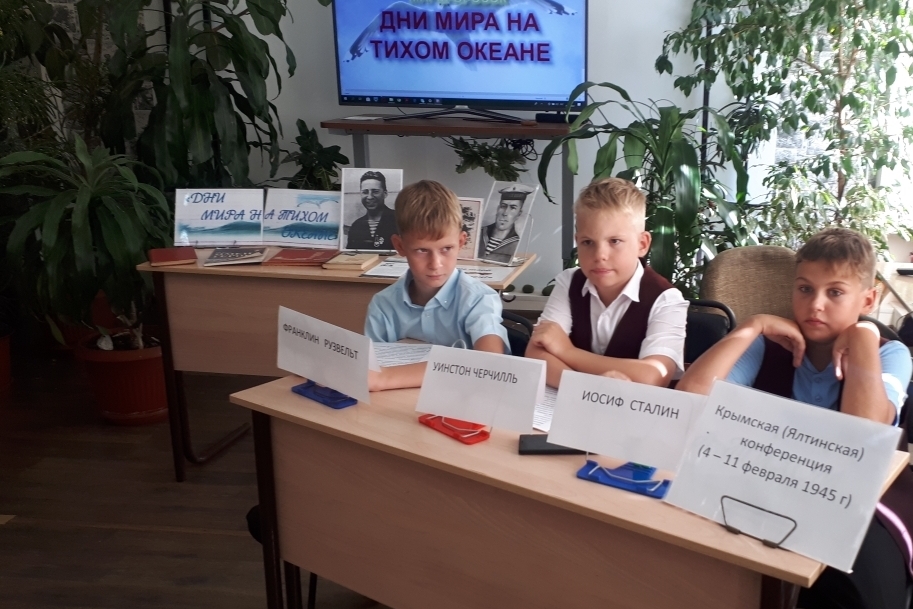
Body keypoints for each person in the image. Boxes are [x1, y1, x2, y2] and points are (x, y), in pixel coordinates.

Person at [677, 227, 913, 609]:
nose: (815, 304)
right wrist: (752, 326)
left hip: (860, 503)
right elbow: (691, 400)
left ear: (868, 298)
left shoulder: (890, 353)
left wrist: (864, 334)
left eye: (835, 292)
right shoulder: (767, 344)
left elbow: (864, 432)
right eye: (805, 289)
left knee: (849, 586)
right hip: (767, 484)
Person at [526, 177, 688, 388]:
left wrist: (566, 351)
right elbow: (537, 353)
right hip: (571, 401)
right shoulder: (569, 282)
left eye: (615, 241)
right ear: (577, 242)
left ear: (642, 244)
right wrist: (586, 389)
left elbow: (652, 376)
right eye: (588, 242)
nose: (600, 255)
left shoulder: (665, 299)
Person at [365, 180, 510, 391]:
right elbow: (371, 368)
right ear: (400, 246)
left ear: (461, 242)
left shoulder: (479, 299)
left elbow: (489, 363)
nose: (435, 264)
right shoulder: (382, 305)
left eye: (446, 249)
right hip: (400, 403)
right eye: (422, 250)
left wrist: (386, 378)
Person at [477, 184, 535, 263]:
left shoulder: (514, 243)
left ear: (519, 213)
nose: (505, 213)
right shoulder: (479, 233)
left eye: (513, 208)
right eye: (503, 206)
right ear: (498, 209)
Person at [346, 170, 397, 250]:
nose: (370, 197)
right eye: (365, 192)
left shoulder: (399, 220)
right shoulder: (356, 226)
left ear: (385, 194)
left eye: (375, 192)